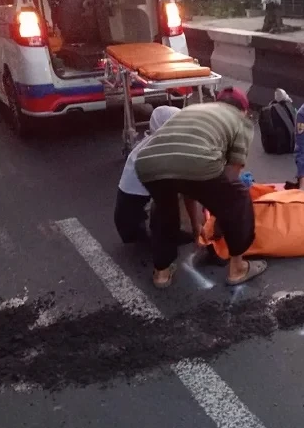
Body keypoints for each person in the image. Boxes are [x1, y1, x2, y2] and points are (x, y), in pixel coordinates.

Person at [134, 87, 267, 289]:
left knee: (163, 207)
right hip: (195, 162)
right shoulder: (241, 122)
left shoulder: (194, 109)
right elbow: (230, 180)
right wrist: (222, 224)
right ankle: (238, 267)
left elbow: (188, 183)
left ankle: (162, 272)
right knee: (239, 197)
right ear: (243, 111)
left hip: (148, 162)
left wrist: (197, 227)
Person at [114, 106, 203, 245]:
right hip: (132, 225)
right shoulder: (163, 153)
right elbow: (189, 194)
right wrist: (196, 228)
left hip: (128, 215)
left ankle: (163, 230)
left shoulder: (153, 142)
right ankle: (164, 235)